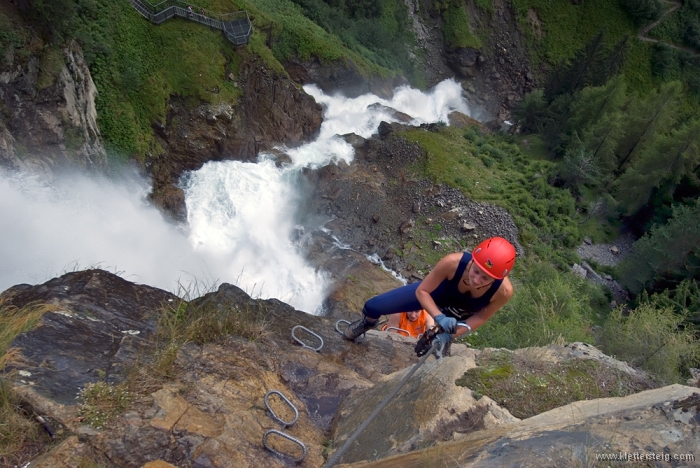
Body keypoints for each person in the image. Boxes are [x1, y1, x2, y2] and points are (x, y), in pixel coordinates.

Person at [343, 237, 516, 354]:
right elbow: (422, 291)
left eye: (485, 278)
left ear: (497, 278)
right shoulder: (453, 263)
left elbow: (481, 317)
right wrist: (438, 316)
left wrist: (451, 334)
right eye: (476, 271)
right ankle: (367, 323)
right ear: (471, 260)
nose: (476, 280)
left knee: (427, 348)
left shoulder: (503, 292)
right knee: (373, 306)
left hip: (459, 314)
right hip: (435, 295)